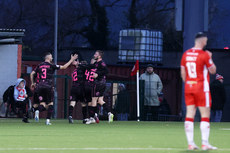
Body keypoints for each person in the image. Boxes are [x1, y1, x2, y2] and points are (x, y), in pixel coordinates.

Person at [180, 32, 217, 150]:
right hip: (201, 87)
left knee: (190, 114)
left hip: (189, 87)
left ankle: (191, 143)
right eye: (205, 41)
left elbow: (183, 72)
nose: (206, 43)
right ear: (202, 41)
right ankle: (204, 143)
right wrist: (210, 58)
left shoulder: (186, 54)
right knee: (205, 115)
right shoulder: (204, 55)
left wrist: (189, 83)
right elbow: (213, 71)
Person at [30, 52, 77, 125]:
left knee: (42, 104)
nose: (52, 58)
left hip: (39, 86)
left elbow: (32, 74)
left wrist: (32, 83)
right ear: (48, 58)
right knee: (50, 104)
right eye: (51, 57)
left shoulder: (39, 65)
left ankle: (37, 111)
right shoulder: (51, 66)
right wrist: (71, 60)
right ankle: (47, 121)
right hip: (48, 86)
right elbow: (64, 67)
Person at [86, 50, 114, 124]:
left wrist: (98, 74)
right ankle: (109, 113)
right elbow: (90, 66)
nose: (94, 55)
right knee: (100, 101)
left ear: (99, 56)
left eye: (96, 54)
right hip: (102, 84)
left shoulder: (101, 63)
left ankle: (92, 118)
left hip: (98, 83)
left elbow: (106, 71)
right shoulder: (97, 63)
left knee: (93, 100)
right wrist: (78, 64)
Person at [68, 58, 89, 124]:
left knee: (72, 102)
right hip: (81, 87)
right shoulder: (83, 70)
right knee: (83, 103)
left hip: (74, 87)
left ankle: (70, 115)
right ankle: (85, 118)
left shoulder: (74, 71)